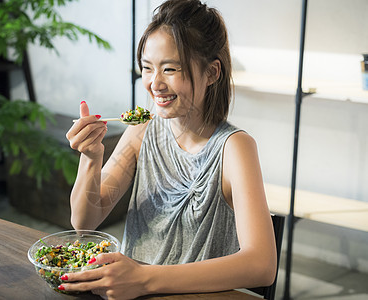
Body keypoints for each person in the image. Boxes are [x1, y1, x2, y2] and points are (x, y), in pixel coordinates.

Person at [64, 0, 276, 299]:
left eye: (170, 68)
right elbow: (84, 221)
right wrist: (91, 158)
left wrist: (145, 279)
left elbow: (262, 265)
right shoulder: (141, 131)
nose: (155, 84)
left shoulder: (234, 148)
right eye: (148, 68)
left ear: (212, 73)